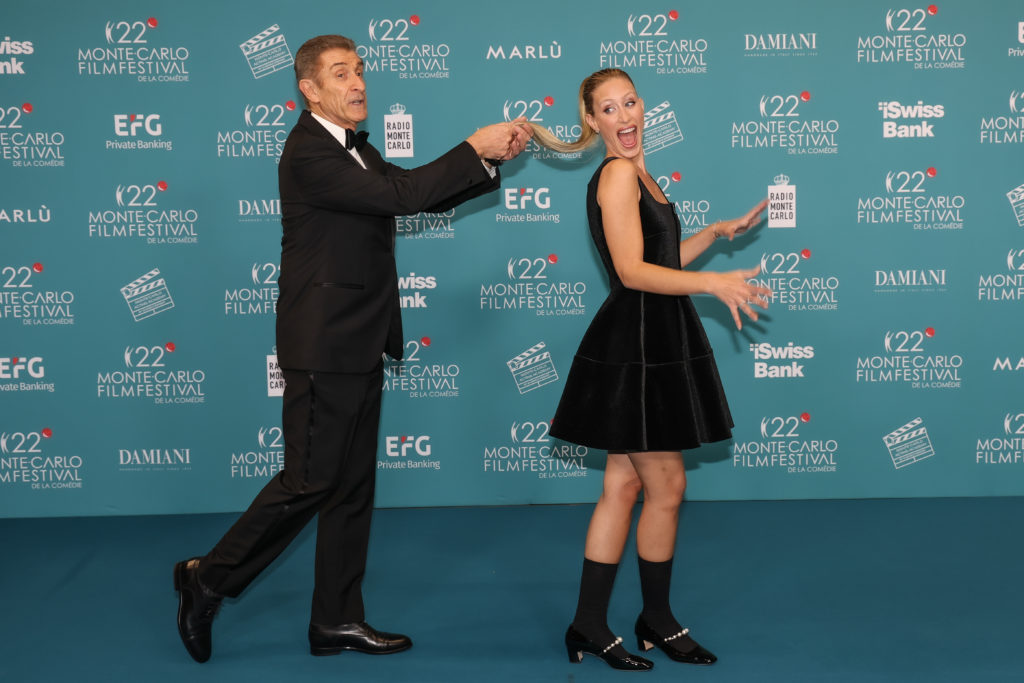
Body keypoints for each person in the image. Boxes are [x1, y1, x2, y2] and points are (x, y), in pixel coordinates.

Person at [173, 34, 531, 663]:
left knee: (351, 487)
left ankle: (336, 619)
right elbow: (402, 198)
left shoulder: (356, 149)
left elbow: (411, 190)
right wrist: (473, 145)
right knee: (309, 480)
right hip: (323, 344)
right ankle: (207, 579)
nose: (358, 82)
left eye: (360, 70)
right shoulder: (309, 152)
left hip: (361, 339)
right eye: (341, 73)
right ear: (309, 90)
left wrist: (486, 163)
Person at [530, 69, 771, 671]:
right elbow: (632, 272)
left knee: (623, 485)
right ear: (592, 121)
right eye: (609, 108)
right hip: (637, 343)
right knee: (667, 487)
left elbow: (660, 258)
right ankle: (653, 619)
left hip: (652, 334)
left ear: (644, 107)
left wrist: (712, 235)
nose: (624, 116)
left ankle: (590, 624)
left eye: (630, 102)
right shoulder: (616, 174)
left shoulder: (640, 173)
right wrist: (713, 284)